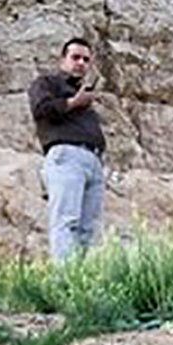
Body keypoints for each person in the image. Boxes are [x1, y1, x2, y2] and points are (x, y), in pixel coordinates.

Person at [28, 37, 106, 261]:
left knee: (88, 229)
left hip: (93, 161)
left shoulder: (83, 93)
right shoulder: (47, 83)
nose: (81, 63)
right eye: (75, 57)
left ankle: (80, 283)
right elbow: (40, 109)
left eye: (85, 59)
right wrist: (73, 102)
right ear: (63, 60)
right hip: (66, 155)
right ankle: (64, 282)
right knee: (66, 220)